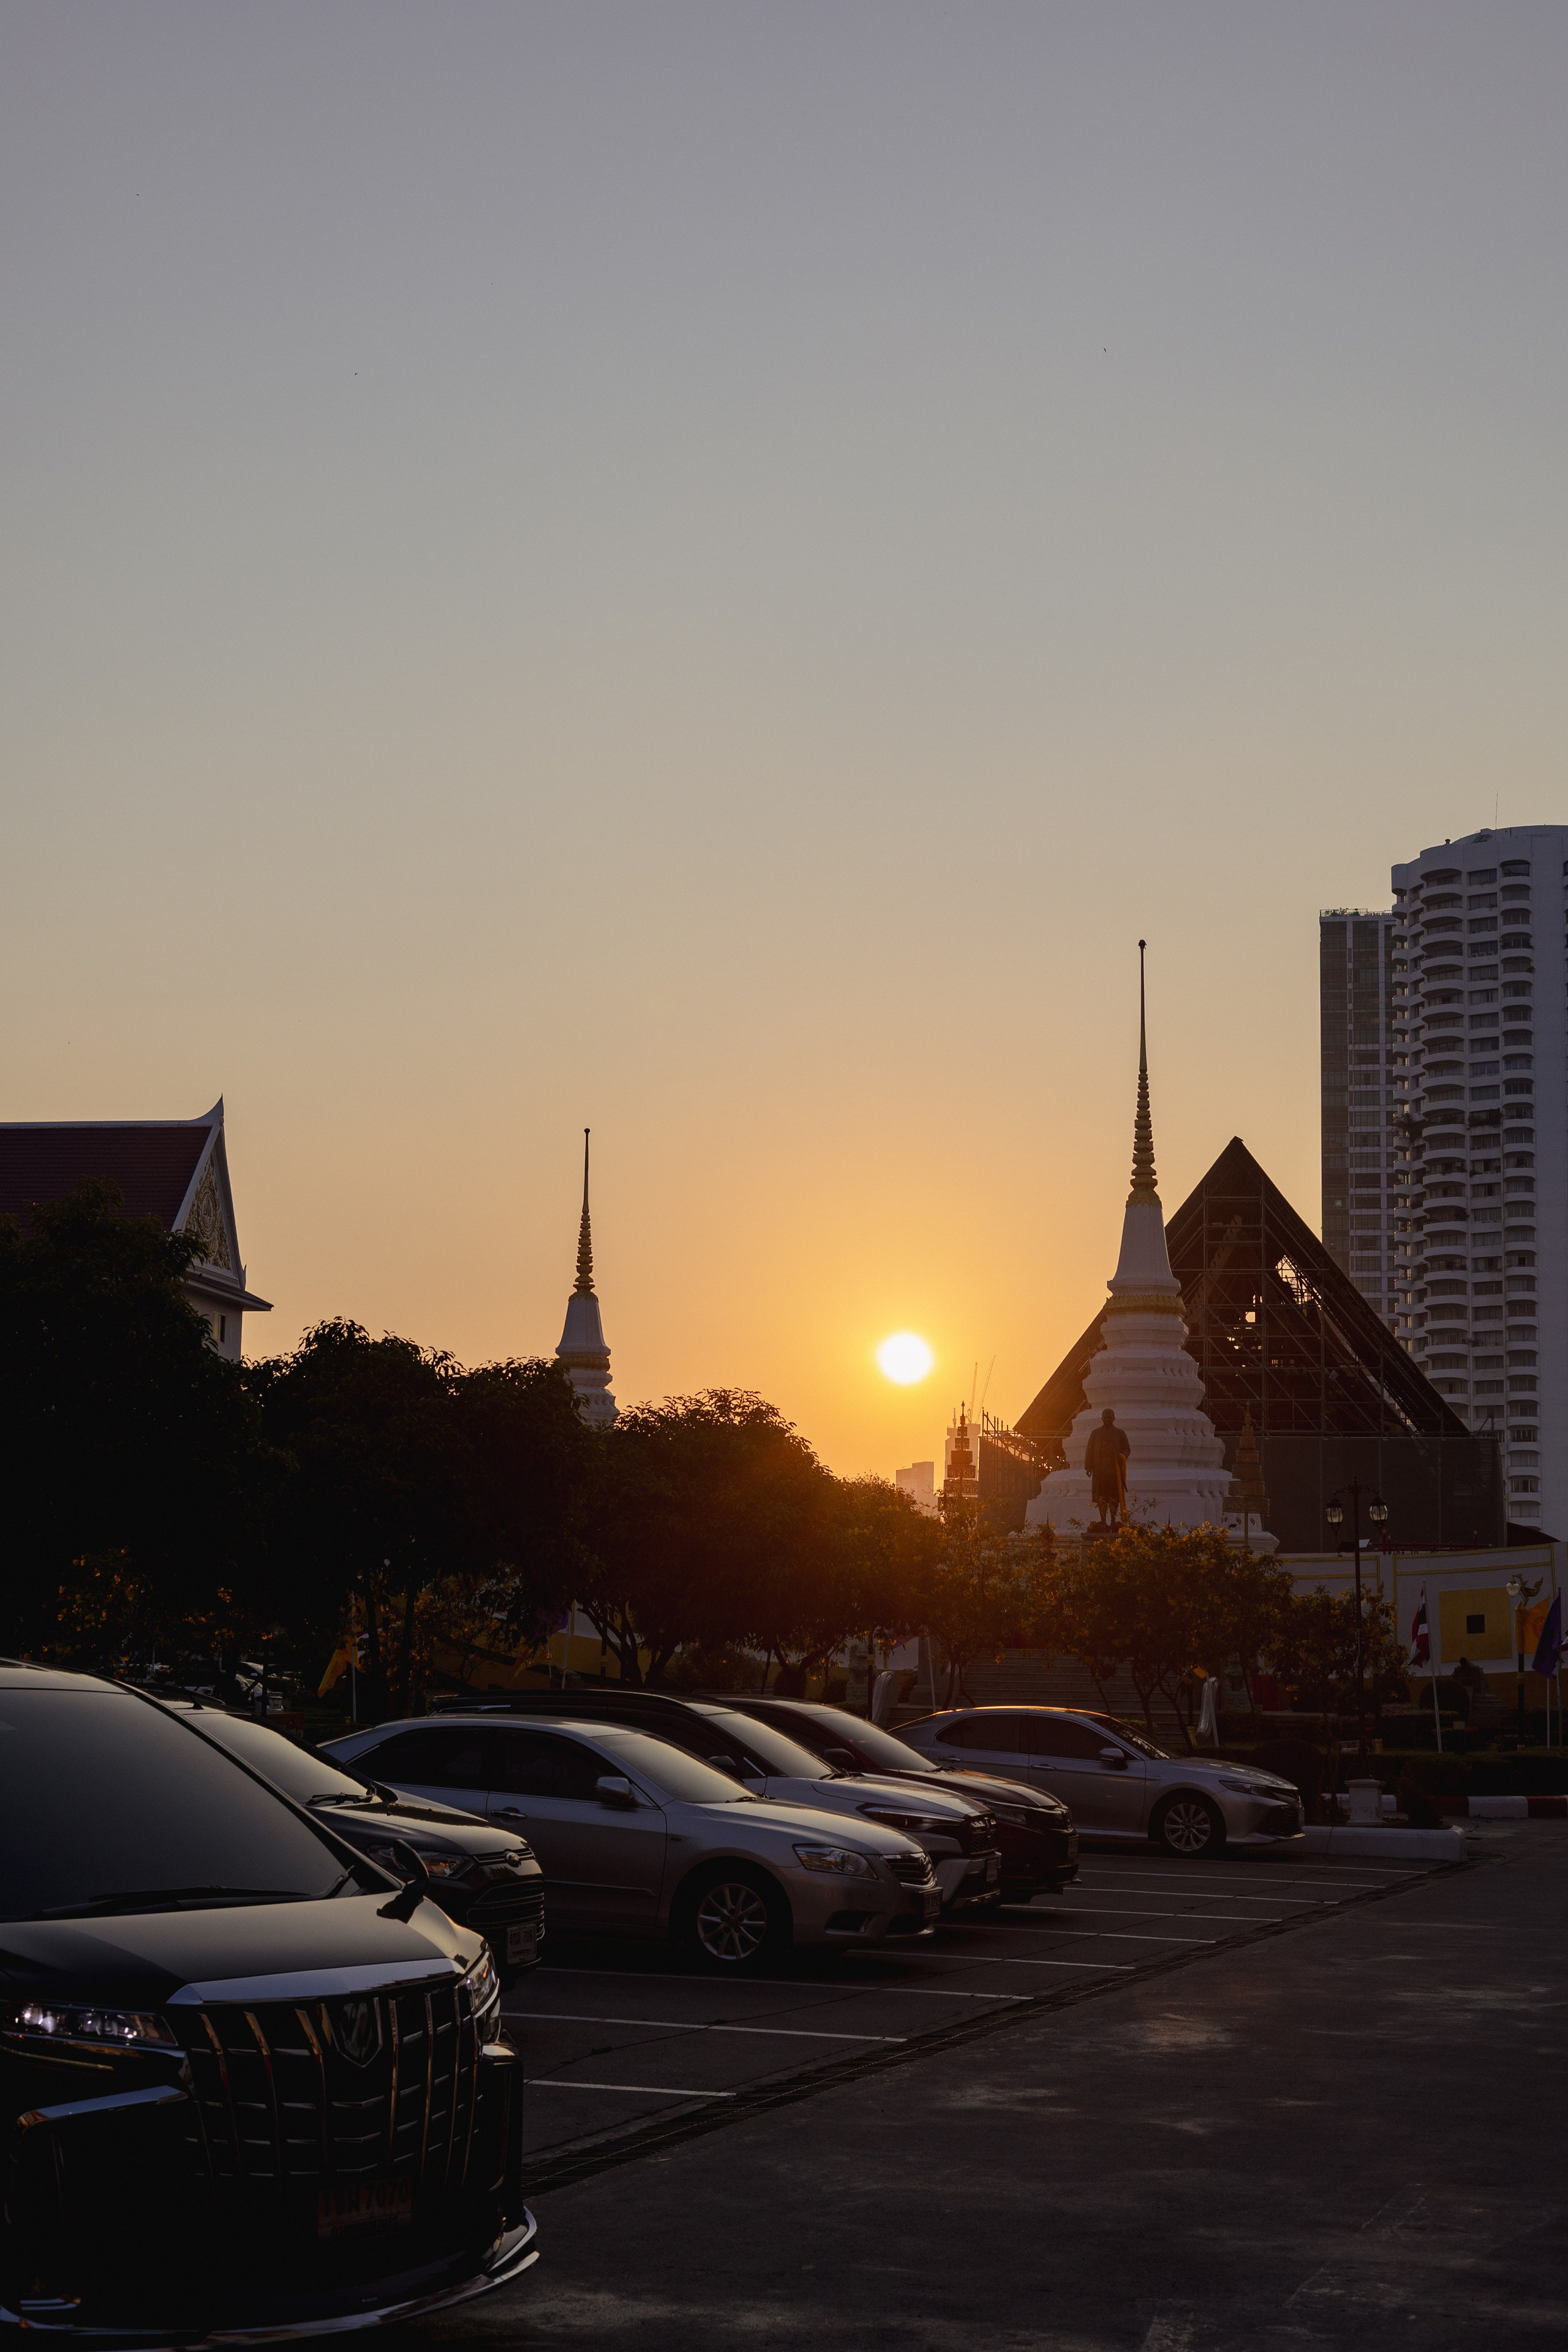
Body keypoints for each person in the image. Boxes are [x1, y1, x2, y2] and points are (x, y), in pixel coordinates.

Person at [1084, 1406, 1130, 1529]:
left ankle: (1114, 1520)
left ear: (1114, 1419)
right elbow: (1090, 1450)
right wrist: (1088, 1467)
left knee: (1114, 1496)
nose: (1107, 1419)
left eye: (1110, 1417)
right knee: (1101, 1497)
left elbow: (1127, 1449)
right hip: (1099, 1470)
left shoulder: (1120, 1433)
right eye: (1105, 1417)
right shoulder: (1096, 1433)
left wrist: (1123, 1456)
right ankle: (1103, 1520)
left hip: (1114, 1471)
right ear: (1102, 1419)